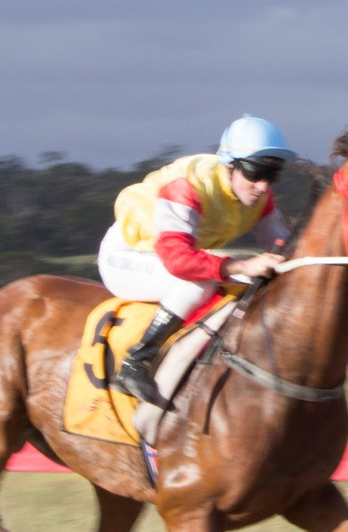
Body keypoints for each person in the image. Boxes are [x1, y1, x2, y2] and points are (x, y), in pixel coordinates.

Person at [97, 115, 296, 403]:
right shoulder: (187, 186)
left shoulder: (261, 198)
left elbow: (281, 250)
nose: (263, 186)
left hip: (171, 256)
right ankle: (136, 362)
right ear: (231, 165)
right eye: (255, 173)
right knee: (203, 281)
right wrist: (240, 265)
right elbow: (178, 261)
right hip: (126, 256)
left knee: (254, 275)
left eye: (272, 175)